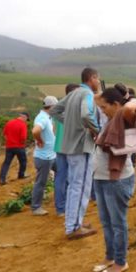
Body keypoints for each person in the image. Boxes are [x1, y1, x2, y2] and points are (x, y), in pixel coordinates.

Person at [92, 86, 136, 272]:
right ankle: (110, 257)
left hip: (116, 180)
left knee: (117, 222)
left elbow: (132, 108)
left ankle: (120, 261)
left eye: (104, 107)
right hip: (101, 178)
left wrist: (129, 102)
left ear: (115, 104)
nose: (102, 110)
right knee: (106, 221)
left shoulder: (122, 117)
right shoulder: (111, 120)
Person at [51, 67, 100, 239]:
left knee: (74, 185)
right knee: (81, 186)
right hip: (81, 145)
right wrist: (97, 130)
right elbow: (86, 115)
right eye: (97, 79)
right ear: (91, 78)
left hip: (70, 146)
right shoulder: (87, 94)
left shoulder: (72, 94)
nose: (99, 82)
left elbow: (54, 110)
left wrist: (70, 123)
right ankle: (73, 228)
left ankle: (74, 222)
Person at [54, 83, 80, 216]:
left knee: (61, 177)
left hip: (59, 146)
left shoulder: (60, 107)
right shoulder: (73, 108)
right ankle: (66, 207)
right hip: (70, 147)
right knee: (72, 178)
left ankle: (61, 207)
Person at [30, 96, 58, 216]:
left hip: (51, 155)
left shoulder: (47, 117)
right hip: (44, 157)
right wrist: (40, 140)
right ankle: (36, 207)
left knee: (62, 174)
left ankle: (61, 198)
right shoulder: (42, 118)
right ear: (51, 106)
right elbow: (35, 131)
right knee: (41, 182)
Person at [0, 112, 29, 185]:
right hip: (19, 146)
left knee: (6, 163)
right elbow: (23, 137)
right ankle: (21, 175)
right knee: (23, 161)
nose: (26, 121)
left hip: (9, 146)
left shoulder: (9, 122)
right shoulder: (22, 124)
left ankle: (2, 179)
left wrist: (9, 141)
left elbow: (5, 134)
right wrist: (22, 144)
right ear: (24, 117)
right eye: (26, 119)